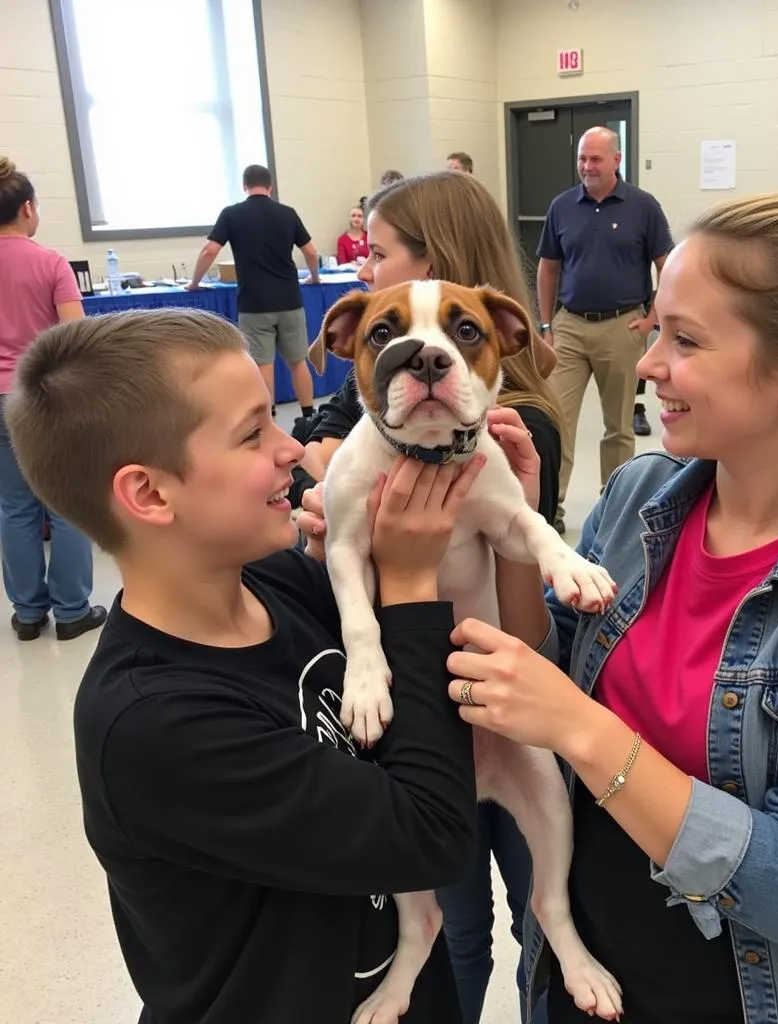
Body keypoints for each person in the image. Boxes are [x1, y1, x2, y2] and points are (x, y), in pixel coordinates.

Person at [416, 188, 778, 1022]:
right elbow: (537, 672)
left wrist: (584, 728)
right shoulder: (641, 495)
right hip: (586, 975)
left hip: (758, 997)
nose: (648, 365)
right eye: (655, 329)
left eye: (684, 341)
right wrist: (513, 532)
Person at [4, 306, 483, 1023]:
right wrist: (410, 586)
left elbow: (448, 673)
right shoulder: (155, 726)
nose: (292, 449)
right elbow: (432, 835)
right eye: (253, 433)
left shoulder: (278, 581)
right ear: (149, 493)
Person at [303, 169, 560, 1024]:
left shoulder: (515, 435)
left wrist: (531, 523)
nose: (365, 269)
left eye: (376, 255)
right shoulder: (364, 425)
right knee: (454, 921)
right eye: (382, 330)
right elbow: (340, 543)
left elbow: (532, 622)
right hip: (411, 708)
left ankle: (551, 961)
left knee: (542, 910)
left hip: (501, 687)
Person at [536, 127, 673, 533]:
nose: (587, 166)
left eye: (595, 159)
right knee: (555, 420)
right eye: (582, 159)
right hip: (570, 328)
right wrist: (547, 325)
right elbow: (548, 267)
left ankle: (613, 507)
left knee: (619, 427)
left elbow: (667, 265)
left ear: (616, 160)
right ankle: (550, 510)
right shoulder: (562, 207)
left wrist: (652, 320)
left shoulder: (643, 207)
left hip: (622, 326)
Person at [0, 156, 105, 642]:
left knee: (13, 507)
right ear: (26, 209)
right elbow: (75, 335)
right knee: (64, 502)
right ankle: (71, 611)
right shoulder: (50, 263)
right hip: (41, 397)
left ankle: (26, 614)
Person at [186, 164, 320, 419]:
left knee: (263, 363)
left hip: (254, 303)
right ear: (270, 186)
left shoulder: (231, 214)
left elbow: (210, 251)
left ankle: (268, 417)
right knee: (298, 361)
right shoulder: (287, 213)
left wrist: (194, 283)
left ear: (244, 186)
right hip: (290, 299)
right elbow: (311, 252)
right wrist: (314, 277)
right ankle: (308, 414)